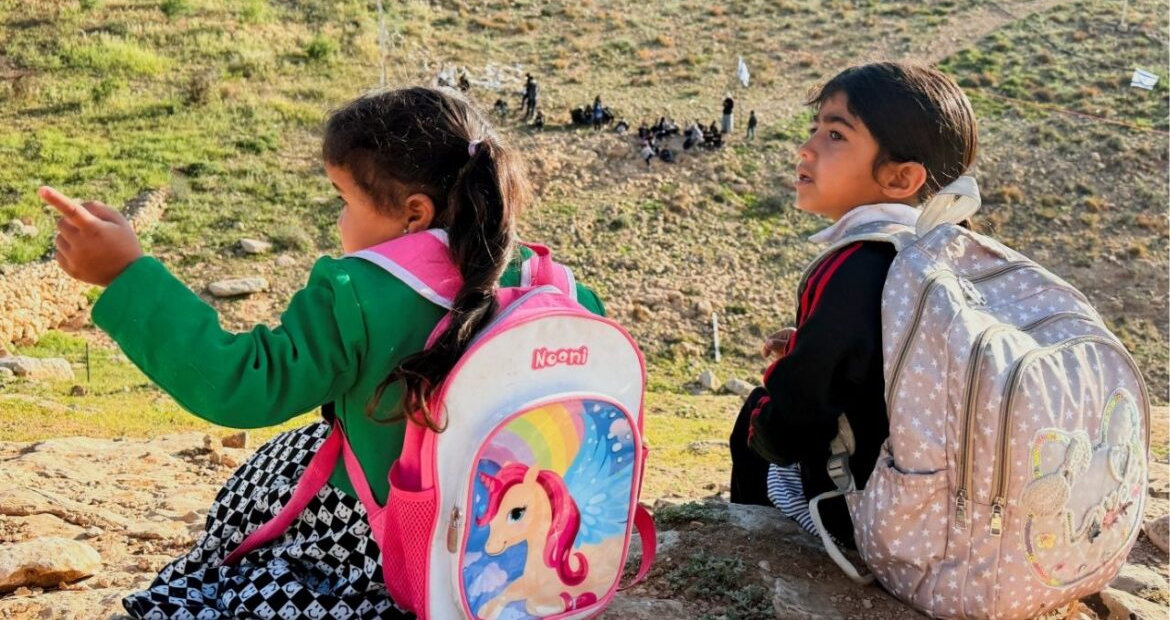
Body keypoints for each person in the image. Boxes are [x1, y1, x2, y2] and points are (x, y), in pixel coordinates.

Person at [39, 87, 607, 618]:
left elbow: (243, 382)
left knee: (266, 495)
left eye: (342, 199)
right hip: (508, 535)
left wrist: (127, 275)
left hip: (386, 544)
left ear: (414, 213)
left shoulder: (355, 292)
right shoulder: (557, 287)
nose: (337, 219)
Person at [727, 62, 978, 547]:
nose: (806, 148)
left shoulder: (857, 264)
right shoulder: (947, 250)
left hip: (868, 512)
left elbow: (795, 420)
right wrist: (810, 342)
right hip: (949, 509)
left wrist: (791, 375)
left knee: (758, 414)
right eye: (814, 128)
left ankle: (752, 542)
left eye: (836, 135)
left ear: (901, 177)